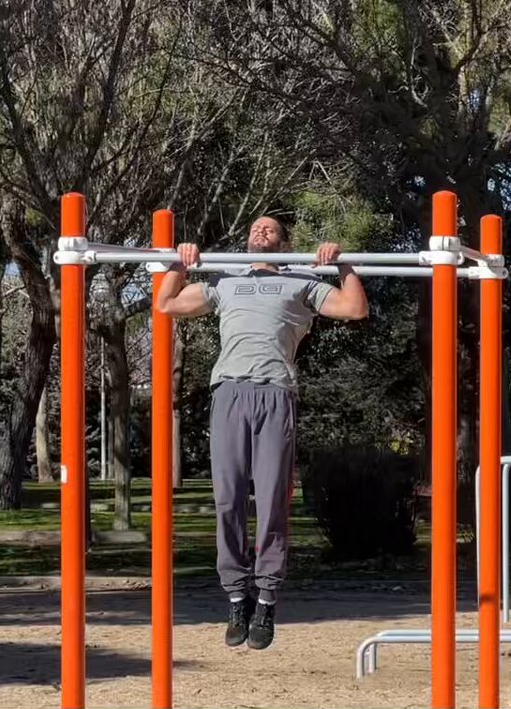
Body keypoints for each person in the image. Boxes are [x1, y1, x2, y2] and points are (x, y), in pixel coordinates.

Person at [157, 216, 369, 650]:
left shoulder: (301, 283)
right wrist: (181, 262)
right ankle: (237, 597)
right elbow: (166, 305)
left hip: (276, 393)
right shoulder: (226, 282)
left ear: (284, 242)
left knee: (273, 498)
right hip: (230, 392)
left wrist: (342, 263)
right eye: (255, 228)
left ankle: (267, 598)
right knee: (228, 498)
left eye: (270, 230)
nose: (260, 232)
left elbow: (355, 309)